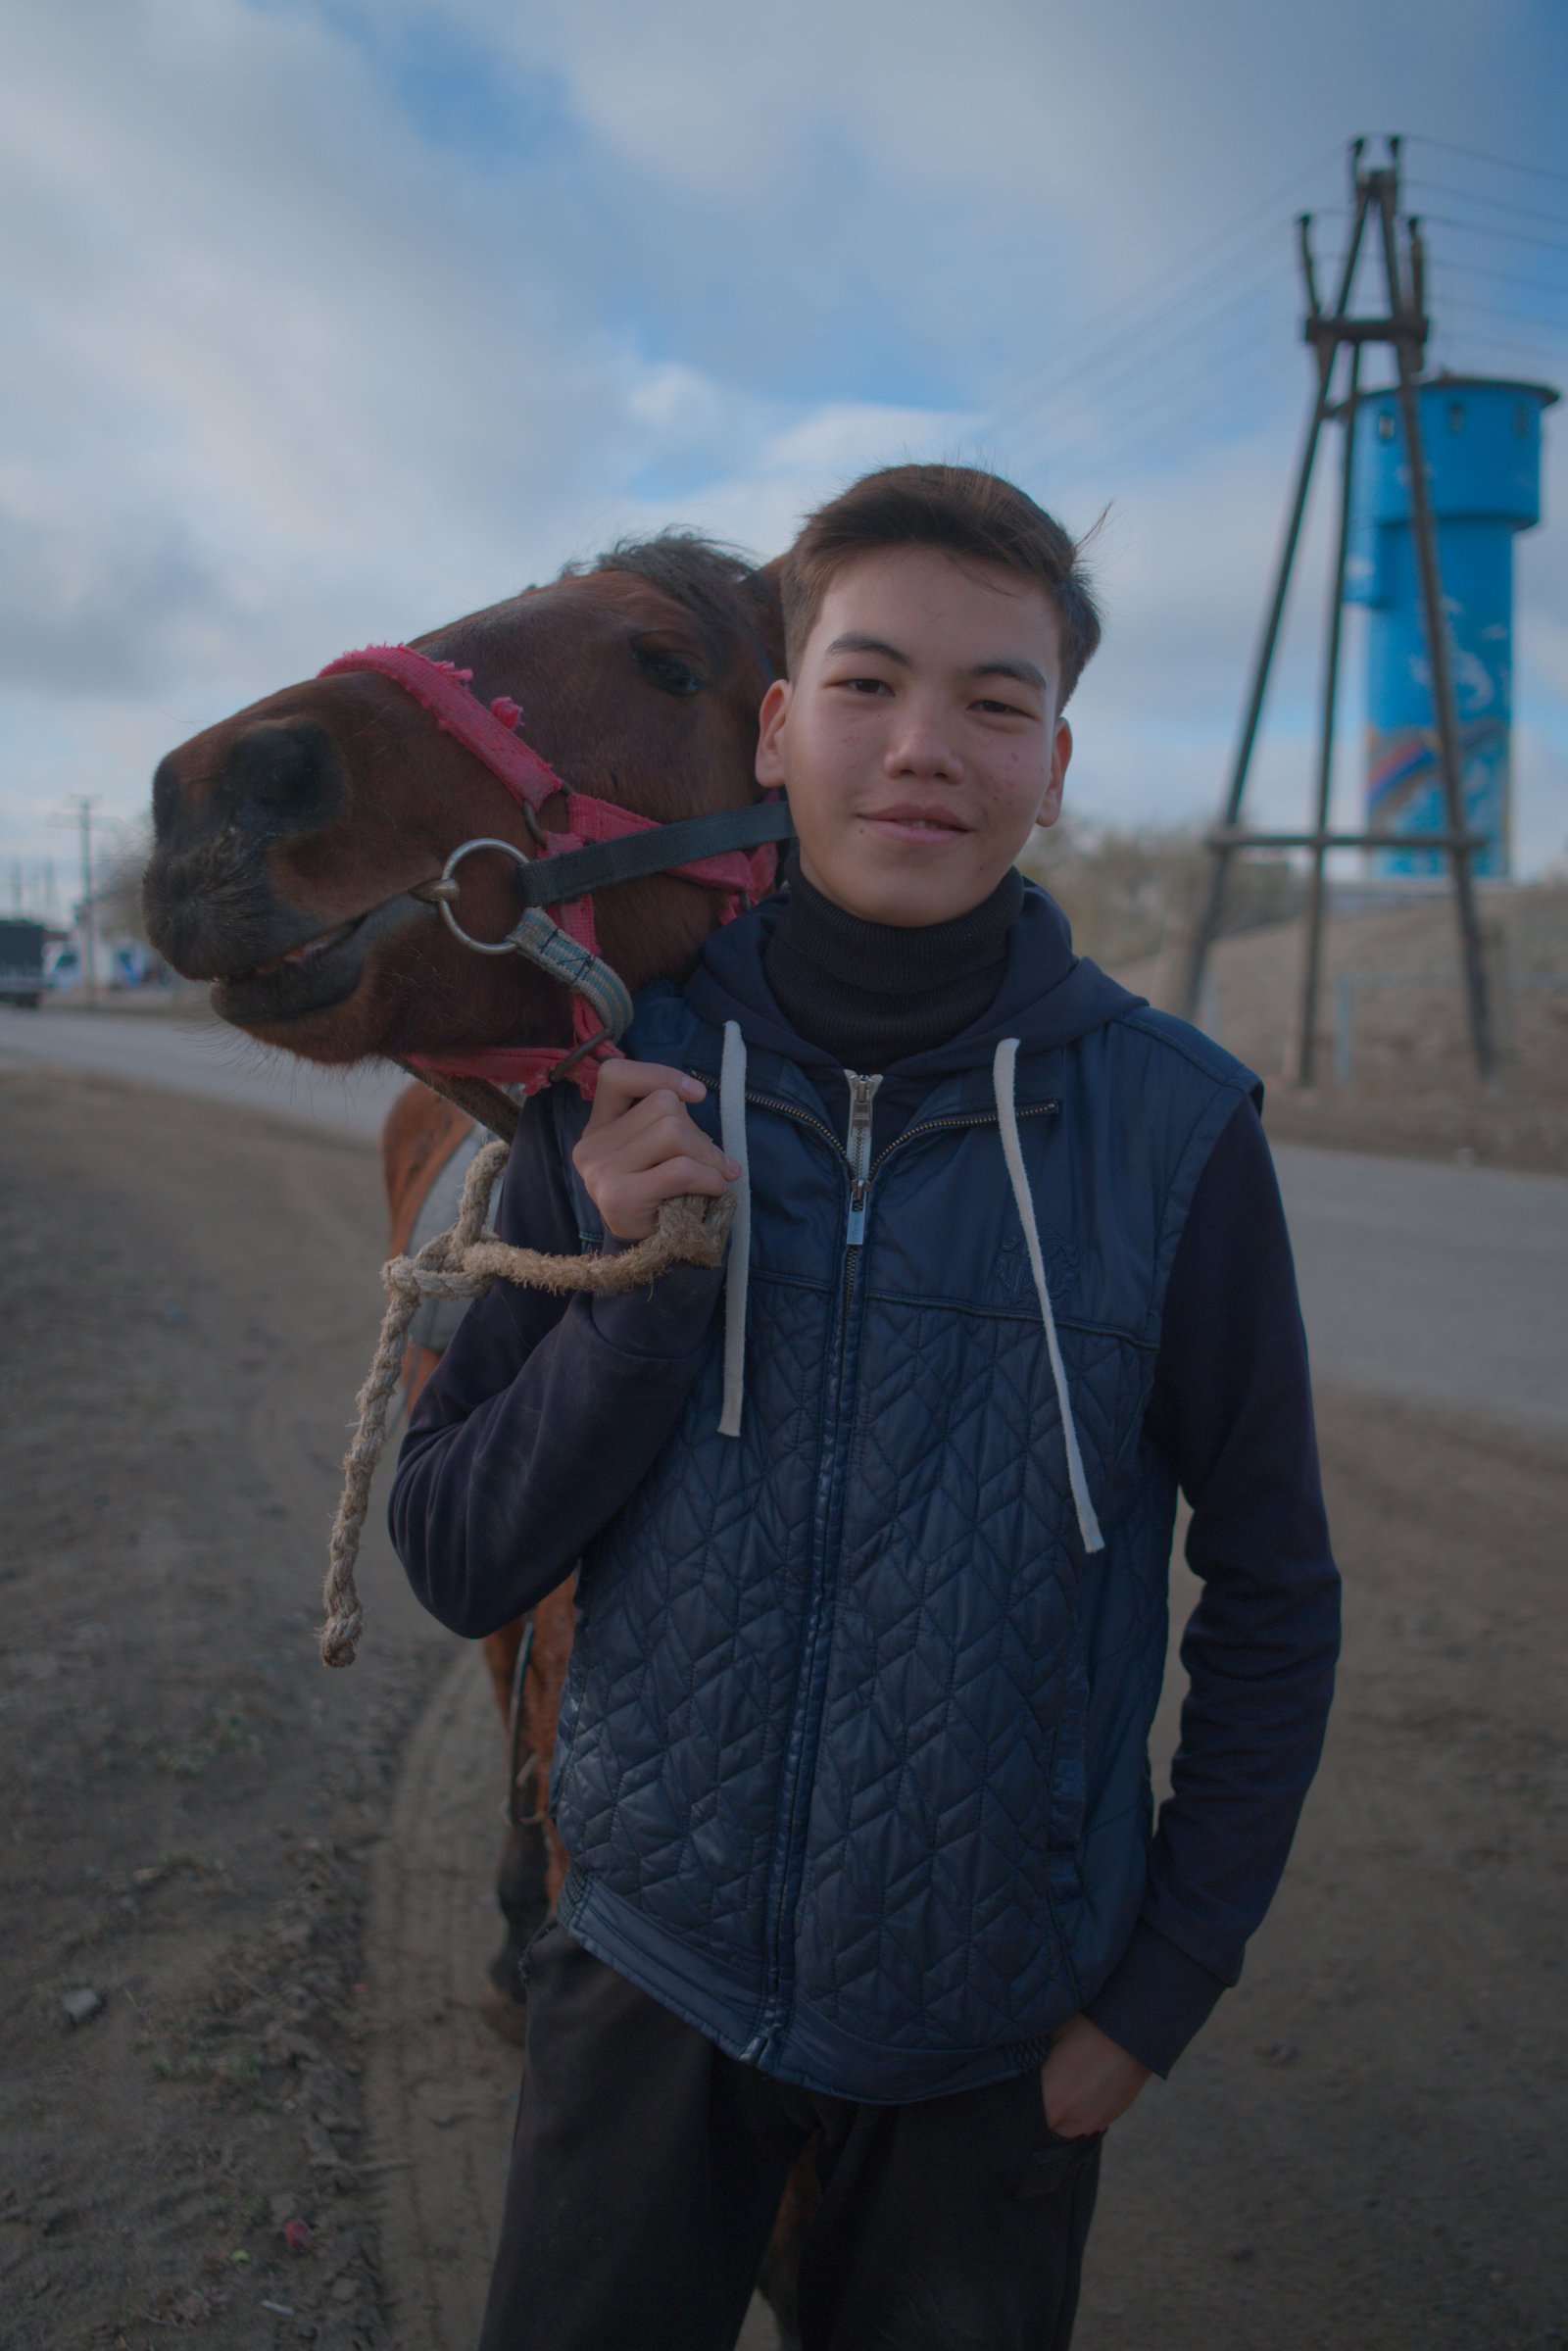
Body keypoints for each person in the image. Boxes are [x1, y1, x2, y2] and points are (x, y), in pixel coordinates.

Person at [389, 464, 1341, 2351]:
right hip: (638, 1996)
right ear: (776, 726)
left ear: (1055, 762)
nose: (925, 750)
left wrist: (1152, 2002)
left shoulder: (1177, 1136)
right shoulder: (624, 1093)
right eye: (867, 683)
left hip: (993, 2054)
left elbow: (1276, 1593)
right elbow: (457, 1549)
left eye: (995, 703)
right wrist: (640, 1305)